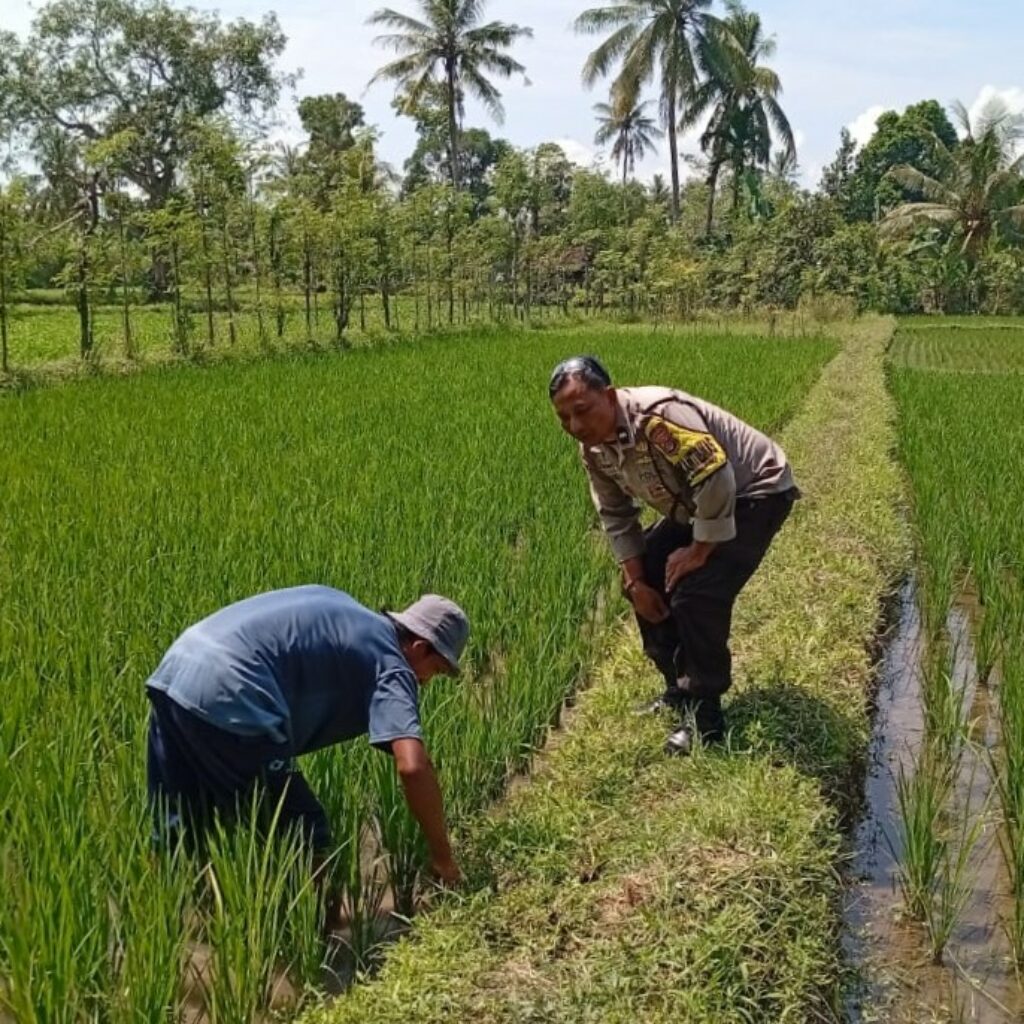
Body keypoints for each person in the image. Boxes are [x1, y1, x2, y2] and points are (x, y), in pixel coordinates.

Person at [549, 355, 799, 755]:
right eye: (564, 418)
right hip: (694, 502)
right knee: (646, 574)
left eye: (582, 410)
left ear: (609, 396)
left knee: (696, 592)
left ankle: (706, 718)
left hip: (755, 491)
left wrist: (699, 552)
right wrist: (635, 581)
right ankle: (676, 687)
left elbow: (718, 479)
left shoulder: (658, 417)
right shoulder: (594, 449)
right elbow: (615, 514)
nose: (575, 427)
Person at [145, 584, 468, 883]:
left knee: (177, 829)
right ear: (420, 647)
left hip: (176, 670)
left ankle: (172, 924)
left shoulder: (344, 608)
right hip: (231, 693)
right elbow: (413, 766)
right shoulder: (393, 664)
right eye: (436, 670)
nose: (426, 682)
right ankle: (329, 935)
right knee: (305, 832)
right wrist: (443, 858)